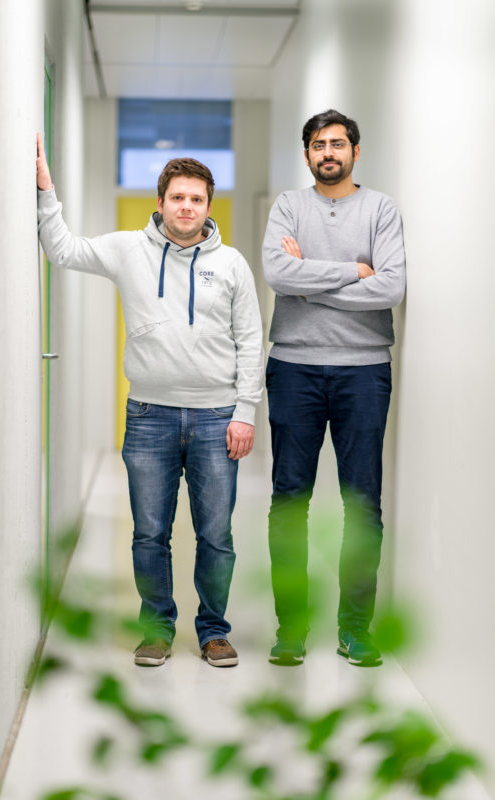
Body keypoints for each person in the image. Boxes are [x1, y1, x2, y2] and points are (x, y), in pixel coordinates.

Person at [36, 134, 263, 668]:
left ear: (209, 205)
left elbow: (252, 339)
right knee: (149, 532)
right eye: (177, 197)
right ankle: (156, 629)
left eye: (197, 199)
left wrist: (246, 412)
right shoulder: (125, 250)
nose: (187, 207)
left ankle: (213, 631)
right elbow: (63, 249)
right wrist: (46, 192)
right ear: (159, 202)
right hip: (149, 418)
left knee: (216, 535)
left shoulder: (231, 265)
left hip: (216, 419)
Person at [262, 109, 406, 667]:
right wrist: (354, 270)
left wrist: (312, 283)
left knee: (362, 503)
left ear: (355, 151)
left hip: (364, 370)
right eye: (319, 144)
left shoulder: (381, 209)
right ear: (306, 155)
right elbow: (277, 273)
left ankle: (354, 629)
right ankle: (291, 629)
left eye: (338, 144)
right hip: (294, 367)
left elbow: (391, 287)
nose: (329, 152)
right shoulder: (288, 207)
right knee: (289, 500)